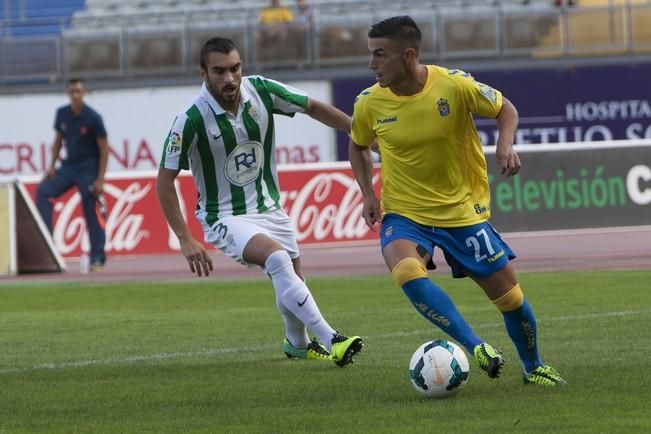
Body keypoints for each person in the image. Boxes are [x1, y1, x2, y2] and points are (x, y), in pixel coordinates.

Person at [348, 16, 565, 386]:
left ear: (408, 55)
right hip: (405, 212)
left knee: (511, 299)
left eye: (380, 55)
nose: (372, 65)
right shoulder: (369, 103)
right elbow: (357, 144)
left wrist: (505, 144)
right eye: (371, 55)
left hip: (462, 211)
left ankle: (534, 366)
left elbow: (505, 109)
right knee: (405, 271)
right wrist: (368, 193)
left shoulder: (454, 85)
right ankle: (476, 346)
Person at [156, 36, 363, 367]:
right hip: (223, 216)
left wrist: (357, 130)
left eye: (235, 68)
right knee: (277, 259)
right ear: (203, 74)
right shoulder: (190, 120)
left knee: (293, 281)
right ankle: (332, 339)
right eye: (220, 71)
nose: (230, 78)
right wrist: (184, 238)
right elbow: (164, 180)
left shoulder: (261, 90)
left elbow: (311, 106)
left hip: (270, 207)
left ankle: (297, 343)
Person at [36, 78, 109, 271]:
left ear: (84, 93)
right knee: (43, 192)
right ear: (67, 93)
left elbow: (104, 149)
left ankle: (97, 258)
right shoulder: (62, 114)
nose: (75, 95)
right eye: (71, 92)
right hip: (70, 165)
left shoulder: (93, 118)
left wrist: (100, 179)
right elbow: (58, 141)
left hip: (89, 167)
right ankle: (47, 249)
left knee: (91, 207)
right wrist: (51, 166)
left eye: (78, 91)